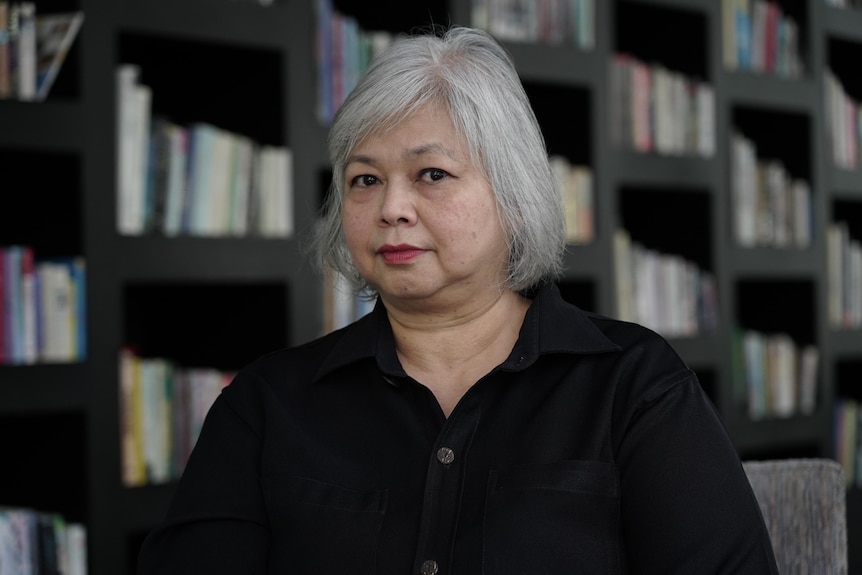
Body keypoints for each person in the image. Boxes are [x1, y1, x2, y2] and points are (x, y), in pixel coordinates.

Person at [137, 25, 779, 574]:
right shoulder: (265, 406)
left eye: (431, 174)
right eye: (365, 179)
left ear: (515, 198)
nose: (391, 208)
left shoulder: (635, 388)